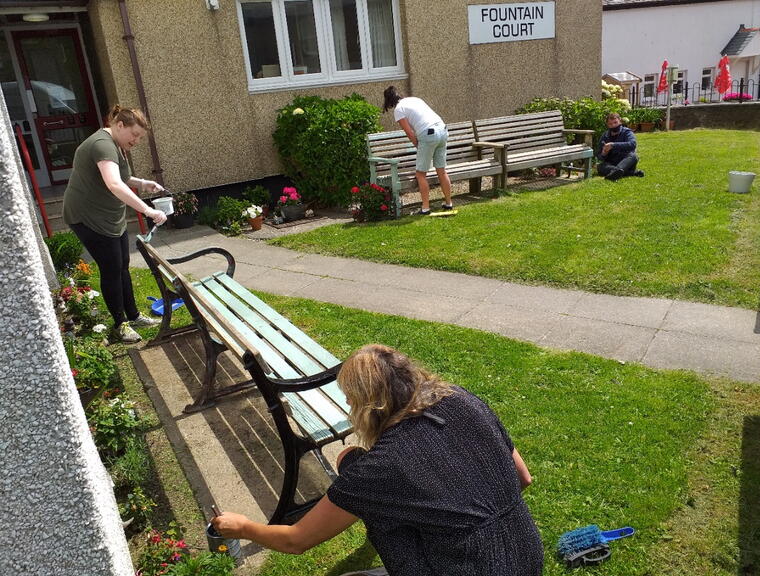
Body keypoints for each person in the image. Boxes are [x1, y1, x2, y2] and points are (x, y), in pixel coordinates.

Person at [213, 344, 544, 576]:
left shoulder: (382, 469)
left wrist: (242, 527)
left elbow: (296, 540)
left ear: (365, 405)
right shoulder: (462, 400)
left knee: (368, 491)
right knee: (355, 463)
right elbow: (523, 478)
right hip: (527, 556)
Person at [62, 105, 167, 343]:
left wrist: (142, 183)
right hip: (89, 217)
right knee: (111, 269)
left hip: (109, 216)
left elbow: (121, 177)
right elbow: (114, 184)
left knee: (122, 265)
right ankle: (120, 326)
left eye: (140, 137)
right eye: (135, 134)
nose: (137, 140)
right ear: (119, 125)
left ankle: (133, 315)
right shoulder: (102, 144)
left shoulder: (115, 144)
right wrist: (148, 210)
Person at [383, 86, 453, 215]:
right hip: (442, 129)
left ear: (389, 101)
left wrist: (418, 146)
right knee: (442, 171)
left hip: (428, 134)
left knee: (421, 174)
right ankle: (449, 203)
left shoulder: (399, 110)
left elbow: (409, 132)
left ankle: (425, 208)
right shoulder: (414, 99)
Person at [597, 112, 645, 181]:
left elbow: (632, 144)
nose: (613, 125)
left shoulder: (627, 132)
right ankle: (631, 173)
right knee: (600, 167)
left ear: (620, 121)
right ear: (607, 125)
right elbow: (599, 156)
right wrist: (604, 153)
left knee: (633, 156)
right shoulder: (605, 136)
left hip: (626, 162)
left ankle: (616, 172)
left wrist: (613, 145)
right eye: (610, 124)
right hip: (612, 163)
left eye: (615, 122)